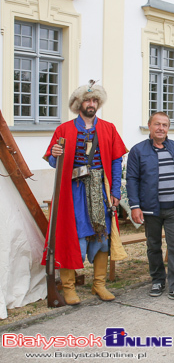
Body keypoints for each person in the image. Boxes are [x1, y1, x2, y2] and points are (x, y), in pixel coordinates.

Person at [42, 81, 127, 305]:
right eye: (88, 100)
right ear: (79, 103)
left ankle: (98, 284)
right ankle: (68, 286)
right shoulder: (64, 129)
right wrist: (55, 153)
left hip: (101, 189)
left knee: (103, 236)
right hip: (73, 192)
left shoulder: (108, 128)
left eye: (95, 100)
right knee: (73, 234)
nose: (92, 104)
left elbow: (116, 162)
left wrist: (115, 191)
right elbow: (53, 161)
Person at [126, 112, 174, 304]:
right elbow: (132, 179)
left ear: (168, 128)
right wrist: (135, 206)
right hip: (151, 209)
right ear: (149, 126)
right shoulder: (138, 151)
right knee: (153, 246)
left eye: (165, 125)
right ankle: (157, 280)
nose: (161, 128)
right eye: (157, 124)